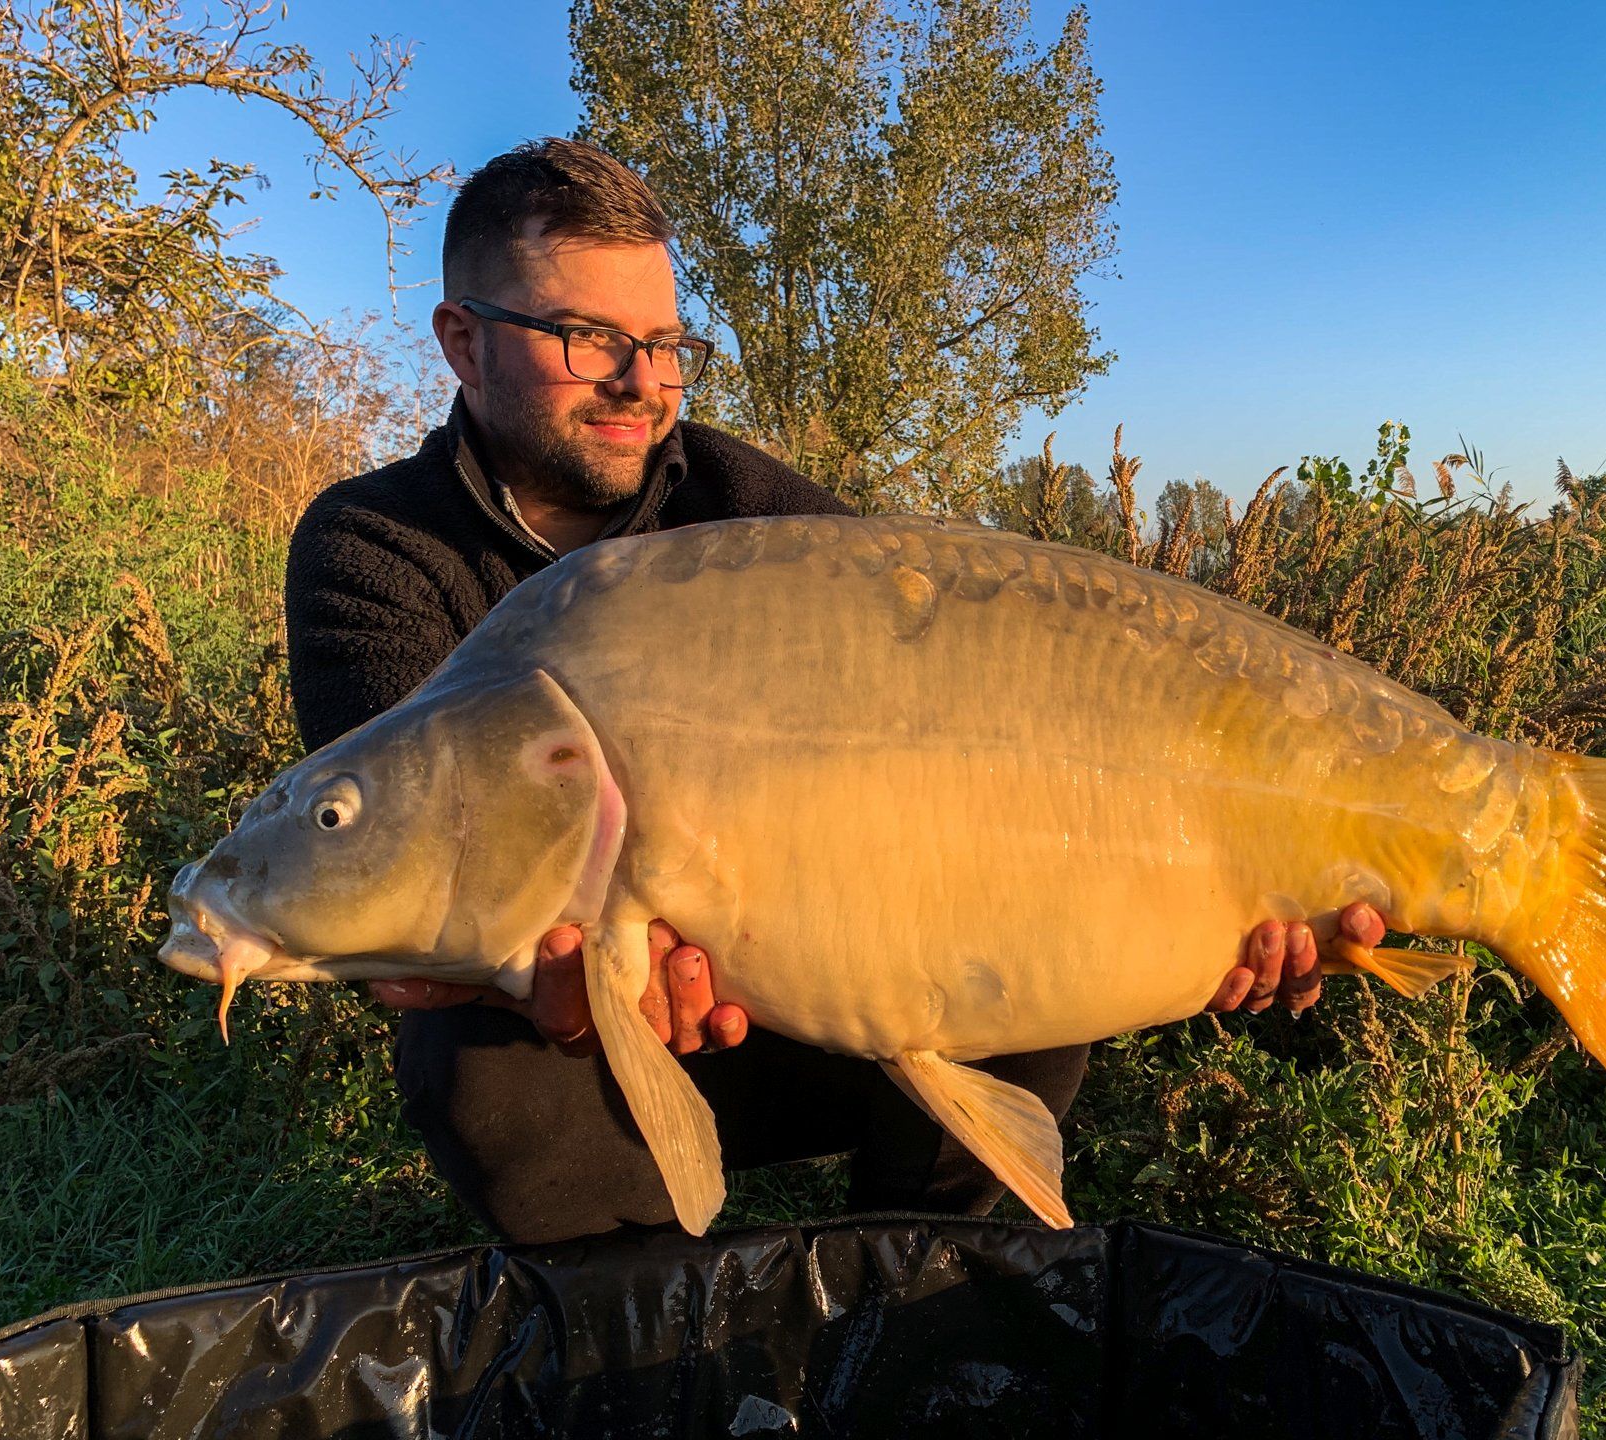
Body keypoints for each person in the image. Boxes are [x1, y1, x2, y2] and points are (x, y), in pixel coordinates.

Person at [284, 137, 1386, 1244]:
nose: (643, 383)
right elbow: (392, 886)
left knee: (1020, 949)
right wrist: (550, 982)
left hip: (824, 1003)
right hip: (571, 1050)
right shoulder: (376, 545)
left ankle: (915, 1302)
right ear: (463, 343)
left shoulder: (753, 516)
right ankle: (635, 1339)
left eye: (666, 345)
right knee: (468, 1051)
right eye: (590, 340)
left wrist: (1243, 884)